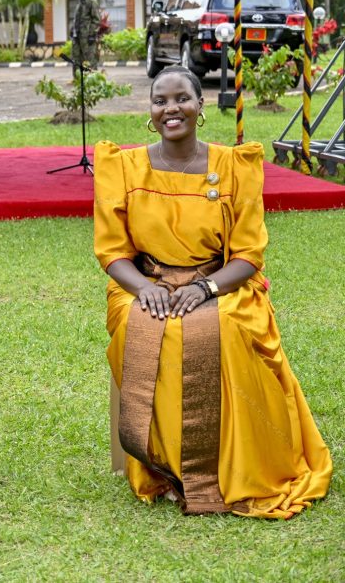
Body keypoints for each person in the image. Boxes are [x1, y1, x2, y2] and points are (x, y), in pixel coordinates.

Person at [93, 66, 332, 518]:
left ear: (201, 105)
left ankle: (229, 469)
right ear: (150, 110)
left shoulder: (234, 166)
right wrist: (146, 288)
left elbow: (249, 254)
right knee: (141, 325)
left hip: (221, 282)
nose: (171, 109)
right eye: (160, 100)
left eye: (182, 98)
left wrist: (205, 287)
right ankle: (165, 466)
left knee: (220, 327)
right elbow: (111, 252)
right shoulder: (122, 167)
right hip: (148, 282)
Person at [70, 0, 101, 77]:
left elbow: (96, 19)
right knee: (76, 58)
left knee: (90, 59)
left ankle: (92, 79)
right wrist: (72, 29)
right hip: (77, 35)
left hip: (87, 36)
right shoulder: (79, 2)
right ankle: (77, 79)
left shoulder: (92, 1)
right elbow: (77, 18)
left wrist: (92, 34)